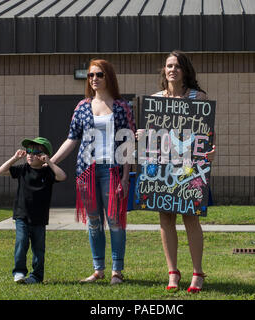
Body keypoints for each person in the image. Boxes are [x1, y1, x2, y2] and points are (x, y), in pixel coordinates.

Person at [136, 50, 216, 293]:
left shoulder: (197, 97)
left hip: (189, 166)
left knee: (190, 217)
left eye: (177, 66)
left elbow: (207, 132)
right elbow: (152, 134)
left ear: (185, 71)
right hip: (162, 167)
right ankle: (173, 272)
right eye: (169, 66)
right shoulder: (155, 99)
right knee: (165, 218)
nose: (172, 70)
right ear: (164, 70)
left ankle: (197, 272)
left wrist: (211, 150)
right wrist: (142, 135)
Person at [51, 59, 135, 285]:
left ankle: (117, 271)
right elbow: (71, 139)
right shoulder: (82, 107)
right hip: (87, 171)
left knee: (115, 221)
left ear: (108, 77)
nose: (94, 79)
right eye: (91, 75)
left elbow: (128, 143)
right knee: (94, 221)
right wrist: (51, 162)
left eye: (99, 74)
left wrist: (126, 177)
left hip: (113, 170)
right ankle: (98, 269)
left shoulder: (121, 107)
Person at [0, 137, 67, 284]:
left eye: (35, 152)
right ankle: (19, 272)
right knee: (21, 242)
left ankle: (36, 276)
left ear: (43, 156)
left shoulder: (48, 173)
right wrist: (15, 158)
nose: (30, 154)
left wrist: (49, 162)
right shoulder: (23, 170)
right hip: (22, 215)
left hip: (39, 218)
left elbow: (62, 176)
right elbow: (1, 170)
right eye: (28, 151)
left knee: (38, 249)